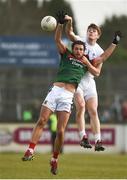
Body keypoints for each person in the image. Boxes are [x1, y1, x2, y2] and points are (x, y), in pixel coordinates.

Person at [22, 11, 100, 175]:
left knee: (61, 131)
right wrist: (60, 24)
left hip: (67, 96)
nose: (78, 50)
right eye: (76, 48)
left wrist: (112, 46)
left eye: (81, 49)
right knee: (42, 120)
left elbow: (97, 71)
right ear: (73, 49)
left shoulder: (85, 63)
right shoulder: (66, 54)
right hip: (55, 90)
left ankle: (54, 159)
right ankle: (30, 150)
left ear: (84, 51)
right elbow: (57, 39)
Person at [65, 15, 121, 151]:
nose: (91, 32)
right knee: (81, 107)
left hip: (89, 81)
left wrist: (88, 63)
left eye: (94, 31)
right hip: (76, 80)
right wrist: (69, 21)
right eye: (90, 29)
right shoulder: (81, 41)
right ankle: (83, 137)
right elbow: (69, 33)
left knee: (93, 111)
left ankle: (98, 141)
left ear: (98, 35)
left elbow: (97, 72)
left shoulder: (99, 50)